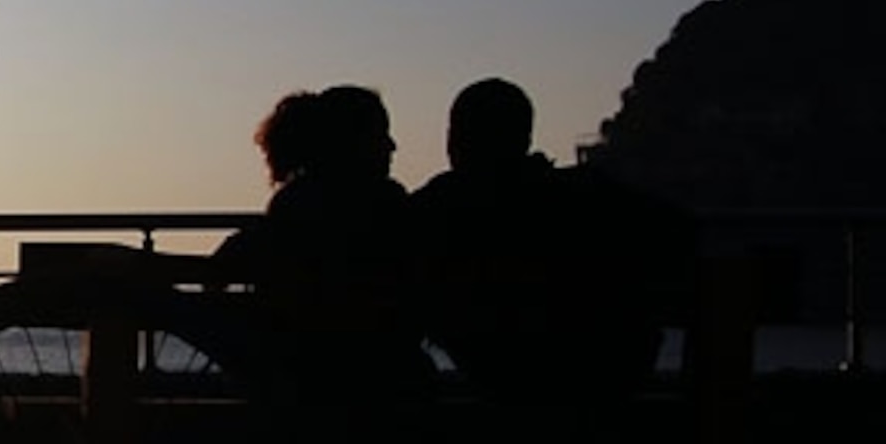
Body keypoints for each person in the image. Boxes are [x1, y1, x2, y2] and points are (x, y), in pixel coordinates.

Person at [410, 76, 692, 403]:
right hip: (609, 392)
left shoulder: (441, 208)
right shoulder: (596, 198)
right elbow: (680, 233)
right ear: (525, 137)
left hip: (510, 396)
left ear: (456, 139)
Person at [213, 84, 430, 404]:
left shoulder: (292, 205)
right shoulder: (386, 203)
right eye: (380, 134)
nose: (392, 146)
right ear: (352, 143)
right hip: (383, 383)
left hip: (299, 383)